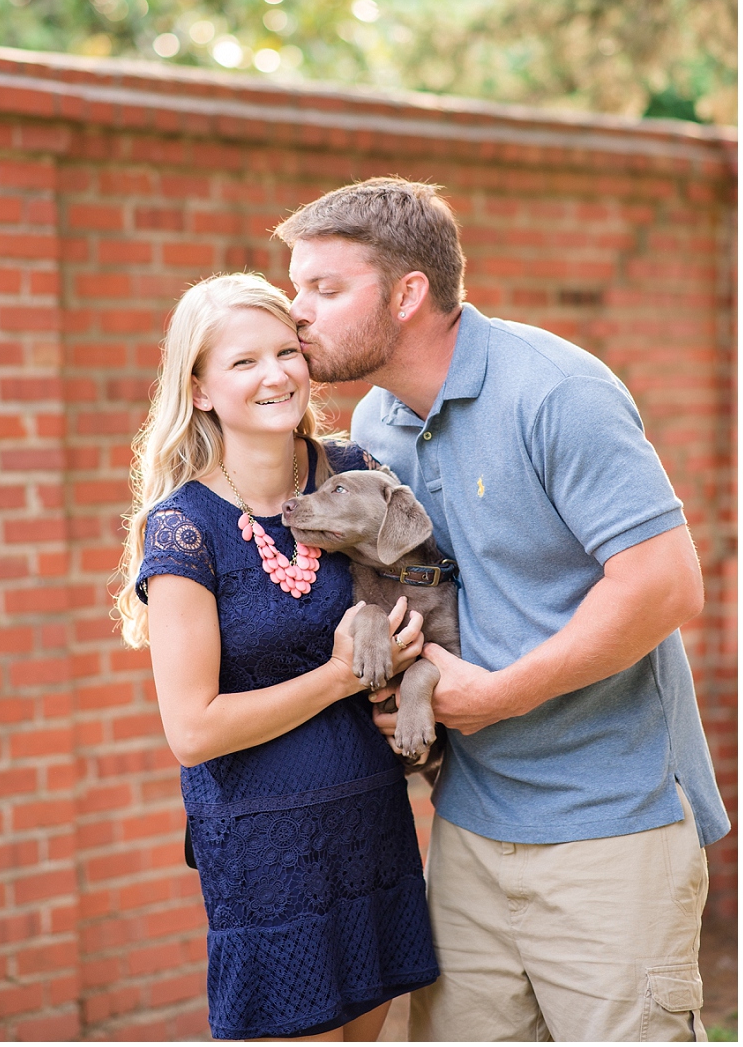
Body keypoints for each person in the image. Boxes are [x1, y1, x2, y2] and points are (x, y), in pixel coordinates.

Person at [278, 177, 729, 1042]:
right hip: (469, 830)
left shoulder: (555, 390)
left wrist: (503, 694)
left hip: (609, 826)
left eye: (324, 289)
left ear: (408, 293)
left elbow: (666, 584)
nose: (298, 312)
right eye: (297, 287)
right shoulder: (378, 420)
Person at [118, 273, 439, 1042]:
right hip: (268, 856)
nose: (276, 375)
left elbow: (425, 582)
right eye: (243, 362)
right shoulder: (184, 531)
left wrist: (415, 645)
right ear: (198, 390)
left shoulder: (353, 474)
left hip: (372, 824)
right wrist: (336, 676)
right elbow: (191, 730)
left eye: (288, 351)